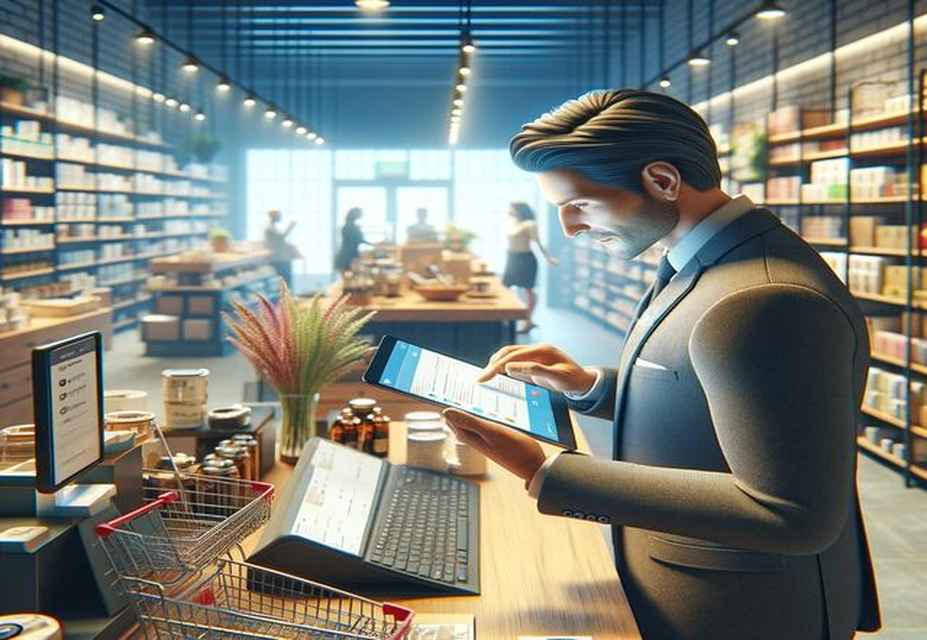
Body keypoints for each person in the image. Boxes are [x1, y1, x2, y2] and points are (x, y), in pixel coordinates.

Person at [441, 90, 880, 640]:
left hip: (743, 609)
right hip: (692, 586)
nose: (571, 228)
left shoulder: (764, 297)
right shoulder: (705, 259)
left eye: (581, 204)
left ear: (663, 181)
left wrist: (544, 471)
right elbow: (720, 392)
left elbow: (792, 513)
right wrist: (592, 386)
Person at [502, 202, 558, 333]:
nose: (509, 210)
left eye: (512, 208)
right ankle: (506, 318)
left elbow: (538, 243)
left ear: (519, 210)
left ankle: (528, 320)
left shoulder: (530, 224)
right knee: (505, 287)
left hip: (525, 259)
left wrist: (548, 258)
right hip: (512, 258)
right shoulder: (512, 223)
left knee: (528, 290)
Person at [264, 209, 299, 288]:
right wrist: (290, 227)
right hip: (278, 259)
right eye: (278, 215)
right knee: (284, 283)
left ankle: (288, 298)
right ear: (273, 216)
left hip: (282, 258)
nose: (280, 217)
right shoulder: (269, 228)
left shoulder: (274, 228)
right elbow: (280, 238)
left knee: (286, 282)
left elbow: (280, 240)